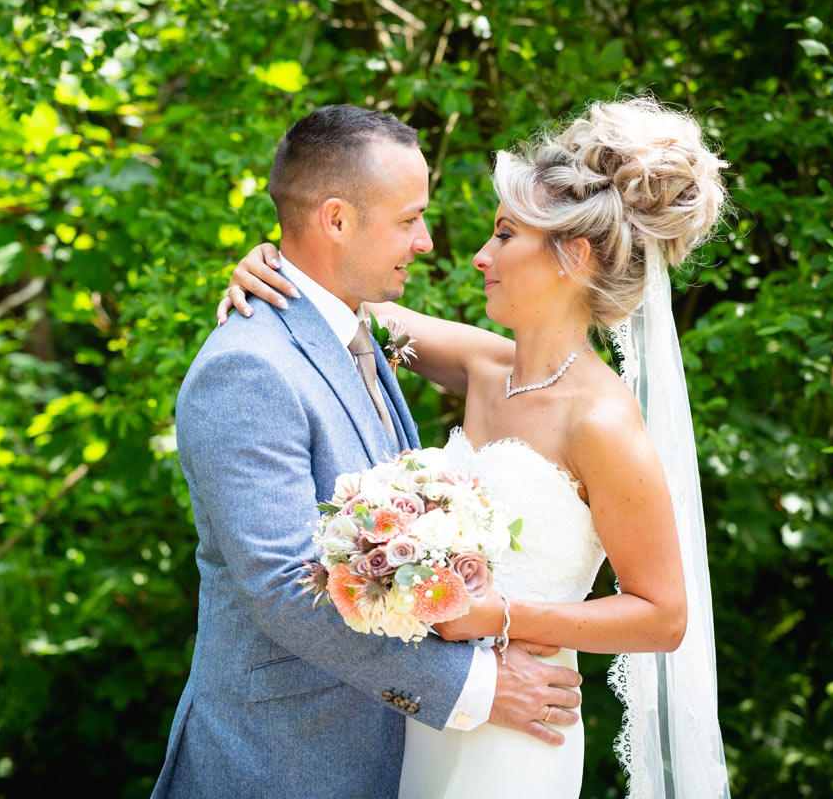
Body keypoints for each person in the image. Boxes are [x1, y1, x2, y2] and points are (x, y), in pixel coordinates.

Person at [222, 97, 732, 798]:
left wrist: (503, 616)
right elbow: (340, 299)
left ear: (571, 256)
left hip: (519, 726)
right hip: (423, 721)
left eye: (505, 235)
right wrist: (265, 262)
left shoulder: (602, 421)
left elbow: (664, 615)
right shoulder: (486, 366)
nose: (479, 255)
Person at [153, 105, 583, 799]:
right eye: (410, 218)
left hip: (393, 753)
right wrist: (476, 688)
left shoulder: (356, 329)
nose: (428, 242)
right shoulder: (248, 369)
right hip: (280, 763)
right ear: (336, 220)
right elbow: (286, 589)